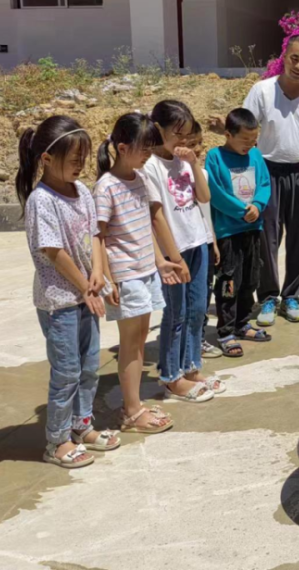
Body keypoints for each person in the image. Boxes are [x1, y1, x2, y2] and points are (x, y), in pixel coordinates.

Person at [210, 34, 299, 327]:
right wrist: (223, 129)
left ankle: (292, 295)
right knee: (267, 238)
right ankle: (268, 297)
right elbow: (245, 128)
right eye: (294, 58)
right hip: (266, 172)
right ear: (285, 56)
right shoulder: (262, 91)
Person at [16, 115, 121, 469]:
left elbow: (95, 234)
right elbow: (53, 251)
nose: (80, 165)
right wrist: (84, 286)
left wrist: (98, 274)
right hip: (59, 302)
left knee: (90, 367)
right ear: (46, 159)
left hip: (84, 295)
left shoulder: (82, 192)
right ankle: (56, 441)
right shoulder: (41, 201)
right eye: (73, 158)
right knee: (66, 373)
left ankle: (82, 426)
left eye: (84, 158)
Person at [94, 113, 179, 435]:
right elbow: (98, 236)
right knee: (131, 343)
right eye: (143, 148)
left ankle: (136, 404)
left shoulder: (140, 178)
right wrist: (107, 278)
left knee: (140, 340)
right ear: (122, 147)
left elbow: (145, 226)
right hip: (126, 275)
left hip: (144, 271)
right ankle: (130, 412)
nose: (148, 154)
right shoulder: (106, 187)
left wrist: (160, 261)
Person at [144, 100, 221, 402]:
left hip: (196, 242)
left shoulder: (184, 161)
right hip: (173, 251)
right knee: (175, 314)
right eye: (177, 135)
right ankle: (171, 376)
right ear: (157, 129)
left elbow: (204, 196)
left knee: (197, 310)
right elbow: (156, 215)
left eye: (187, 136)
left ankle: (191, 368)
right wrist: (172, 257)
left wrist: (194, 163)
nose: (183, 142)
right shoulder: (150, 166)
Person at [205, 108, 273, 357]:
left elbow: (264, 183)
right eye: (244, 140)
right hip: (228, 231)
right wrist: (240, 210)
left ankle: (243, 323)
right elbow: (214, 191)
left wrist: (257, 205)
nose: (249, 144)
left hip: (253, 228)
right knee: (229, 282)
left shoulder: (256, 155)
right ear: (228, 134)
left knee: (251, 279)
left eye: (253, 139)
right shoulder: (214, 157)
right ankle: (226, 332)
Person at [187, 121, 223, 360]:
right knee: (189, 298)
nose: (197, 148)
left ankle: (199, 338)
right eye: (191, 144)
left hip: (206, 241)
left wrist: (214, 242)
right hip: (188, 244)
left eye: (199, 142)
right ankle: (189, 342)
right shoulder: (174, 175)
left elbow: (206, 209)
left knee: (205, 292)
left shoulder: (204, 174)